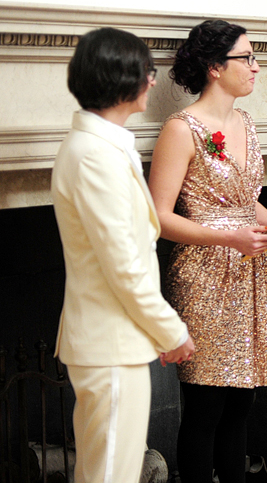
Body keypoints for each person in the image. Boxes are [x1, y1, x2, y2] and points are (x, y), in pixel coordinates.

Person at [148, 19, 267, 483]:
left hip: (251, 270)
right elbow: (160, 217)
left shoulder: (246, 123)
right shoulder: (182, 129)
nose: (256, 67)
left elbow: (244, 201)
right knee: (205, 404)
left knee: (242, 402)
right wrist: (228, 237)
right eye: (248, 58)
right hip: (204, 273)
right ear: (216, 67)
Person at [52, 27, 195, 483]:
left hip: (115, 341)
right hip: (108, 344)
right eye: (148, 72)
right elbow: (125, 267)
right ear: (123, 78)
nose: (153, 82)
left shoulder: (104, 147)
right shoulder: (96, 155)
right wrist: (172, 331)